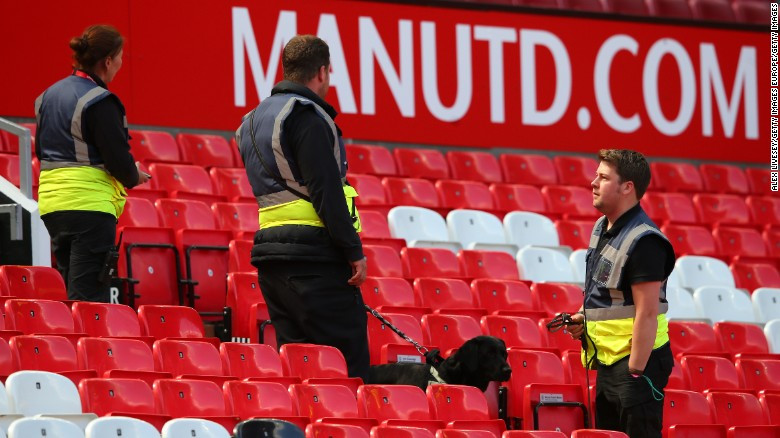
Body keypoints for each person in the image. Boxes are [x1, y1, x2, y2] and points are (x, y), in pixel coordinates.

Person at [236, 35, 369, 380]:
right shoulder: (307, 115)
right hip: (315, 259)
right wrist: (352, 250)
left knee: (299, 369)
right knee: (346, 368)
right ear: (322, 72)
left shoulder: (250, 121)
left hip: (271, 258)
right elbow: (326, 191)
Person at [35, 24, 149, 302]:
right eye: (120, 57)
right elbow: (118, 161)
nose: (121, 63)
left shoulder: (47, 96)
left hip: (53, 205)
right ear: (108, 61)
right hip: (90, 207)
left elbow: (42, 150)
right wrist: (135, 175)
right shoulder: (100, 101)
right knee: (89, 299)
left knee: (73, 292)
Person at [566, 149, 675, 438]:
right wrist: (583, 317)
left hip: (636, 364)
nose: (593, 183)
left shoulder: (645, 241)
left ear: (627, 187)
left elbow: (647, 312)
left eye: (603, 178)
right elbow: (606, 292)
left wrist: (635, 371)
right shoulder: (602, 227)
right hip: (608, 360)